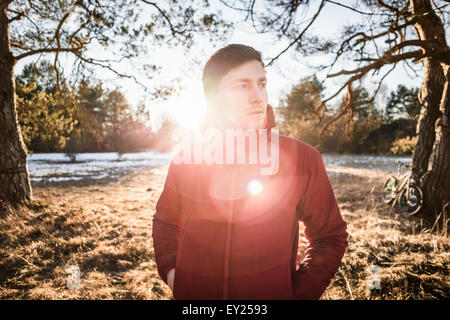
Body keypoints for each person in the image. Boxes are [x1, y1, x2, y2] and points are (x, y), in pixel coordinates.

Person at [152, 44, 348, 300]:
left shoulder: (302, 158)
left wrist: (298, 294)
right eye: (242, 86)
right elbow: (165, 222)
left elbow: (329, 236)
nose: (258, 96)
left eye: (262, 84)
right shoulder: (187, 159)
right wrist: (172, 273)